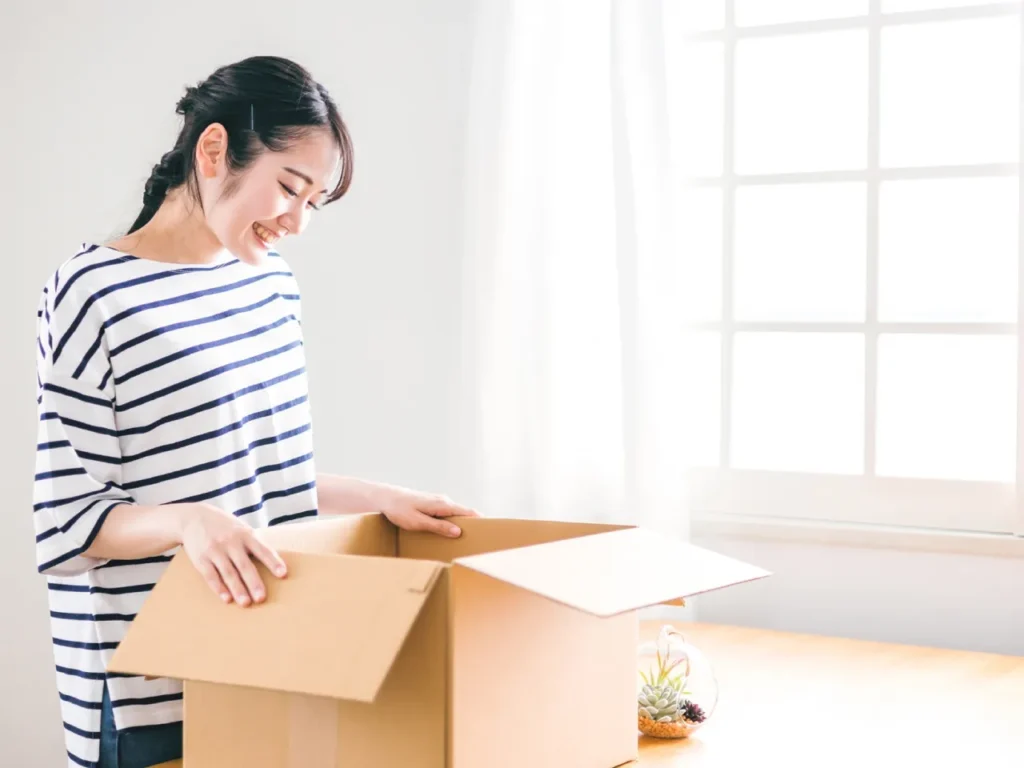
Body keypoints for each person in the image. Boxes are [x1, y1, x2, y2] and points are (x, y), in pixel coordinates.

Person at [32, 55, 477, 768]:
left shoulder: (270, 288)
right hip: (147, 679)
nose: (297, 221)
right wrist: (186, 522)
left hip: (267, 655)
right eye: (290, 188)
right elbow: (68, 521)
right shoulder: (93, 292)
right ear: (214, 151)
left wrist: (381, 500)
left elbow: (261, 478)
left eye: (315, 202)